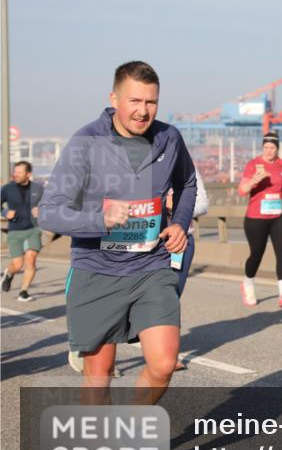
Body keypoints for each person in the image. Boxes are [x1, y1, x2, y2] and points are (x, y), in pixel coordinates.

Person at [39, 61, 196, 404]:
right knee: (99, 380)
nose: (143, 111)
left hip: (151, 266)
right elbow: (49, 213)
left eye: (151, 102)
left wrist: (179, 223)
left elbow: (187, 182)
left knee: (165, 362)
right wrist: (100, 218)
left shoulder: (169, 138)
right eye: (135, 101)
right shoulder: (86, 142)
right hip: (97, 270)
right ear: (114, 98)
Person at [67, 169, 208, 374]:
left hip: (175, 242)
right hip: (132, 242)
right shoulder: (122, 164)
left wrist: (175, 207)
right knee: (116, 303)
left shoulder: (187, 166)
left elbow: (202, 203)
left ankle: (161, 356)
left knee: (169, 295)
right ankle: (92, 346)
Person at [239, 131, 282, 307]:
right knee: (256, 254)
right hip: (256, 218)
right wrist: (254, 181)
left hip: (279, 216)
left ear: (277, 149)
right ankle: (248, 284)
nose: (269, 151)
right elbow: (242, 190)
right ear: (262, 147)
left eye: (272, 148)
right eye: (266, 147)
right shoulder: (253, 164)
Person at [1, 161, 46, 301]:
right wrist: (5, 212)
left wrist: (42, 210)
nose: (16, 174)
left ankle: (23, 292)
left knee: (31, 259)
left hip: (33, 228)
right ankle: (9, 274)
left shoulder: (38, 188)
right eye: (15, 172)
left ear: (28, 174)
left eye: (19, 172)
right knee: (18, 263)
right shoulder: (7, 188)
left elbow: (49, 204)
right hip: (15, 230)